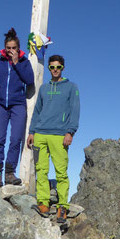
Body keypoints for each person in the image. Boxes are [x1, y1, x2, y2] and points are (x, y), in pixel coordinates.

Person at [28, 55, 80, 223]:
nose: (55, 70)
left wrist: (70, 132)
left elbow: (75, 111)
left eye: (58, 67)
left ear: (63, 68)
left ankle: (62, 207)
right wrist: (31, 132)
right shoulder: (43, 88)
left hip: (59, 135)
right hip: (40, 134)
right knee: (41, 170)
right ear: (49, 68)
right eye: (52, 67)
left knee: (61, 173)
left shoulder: (71, 88)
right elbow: (37, 111)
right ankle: (43, 203)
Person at [0, 28, 34, 188]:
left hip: (18, 104)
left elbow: (29, 80)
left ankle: (10, 173)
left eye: (14, 48)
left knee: (16, 139)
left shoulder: (24, 62)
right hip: (0, 105)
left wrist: (16, 63)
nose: (11, 51)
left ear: (18, 49)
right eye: (8, 48)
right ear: (5, 48)